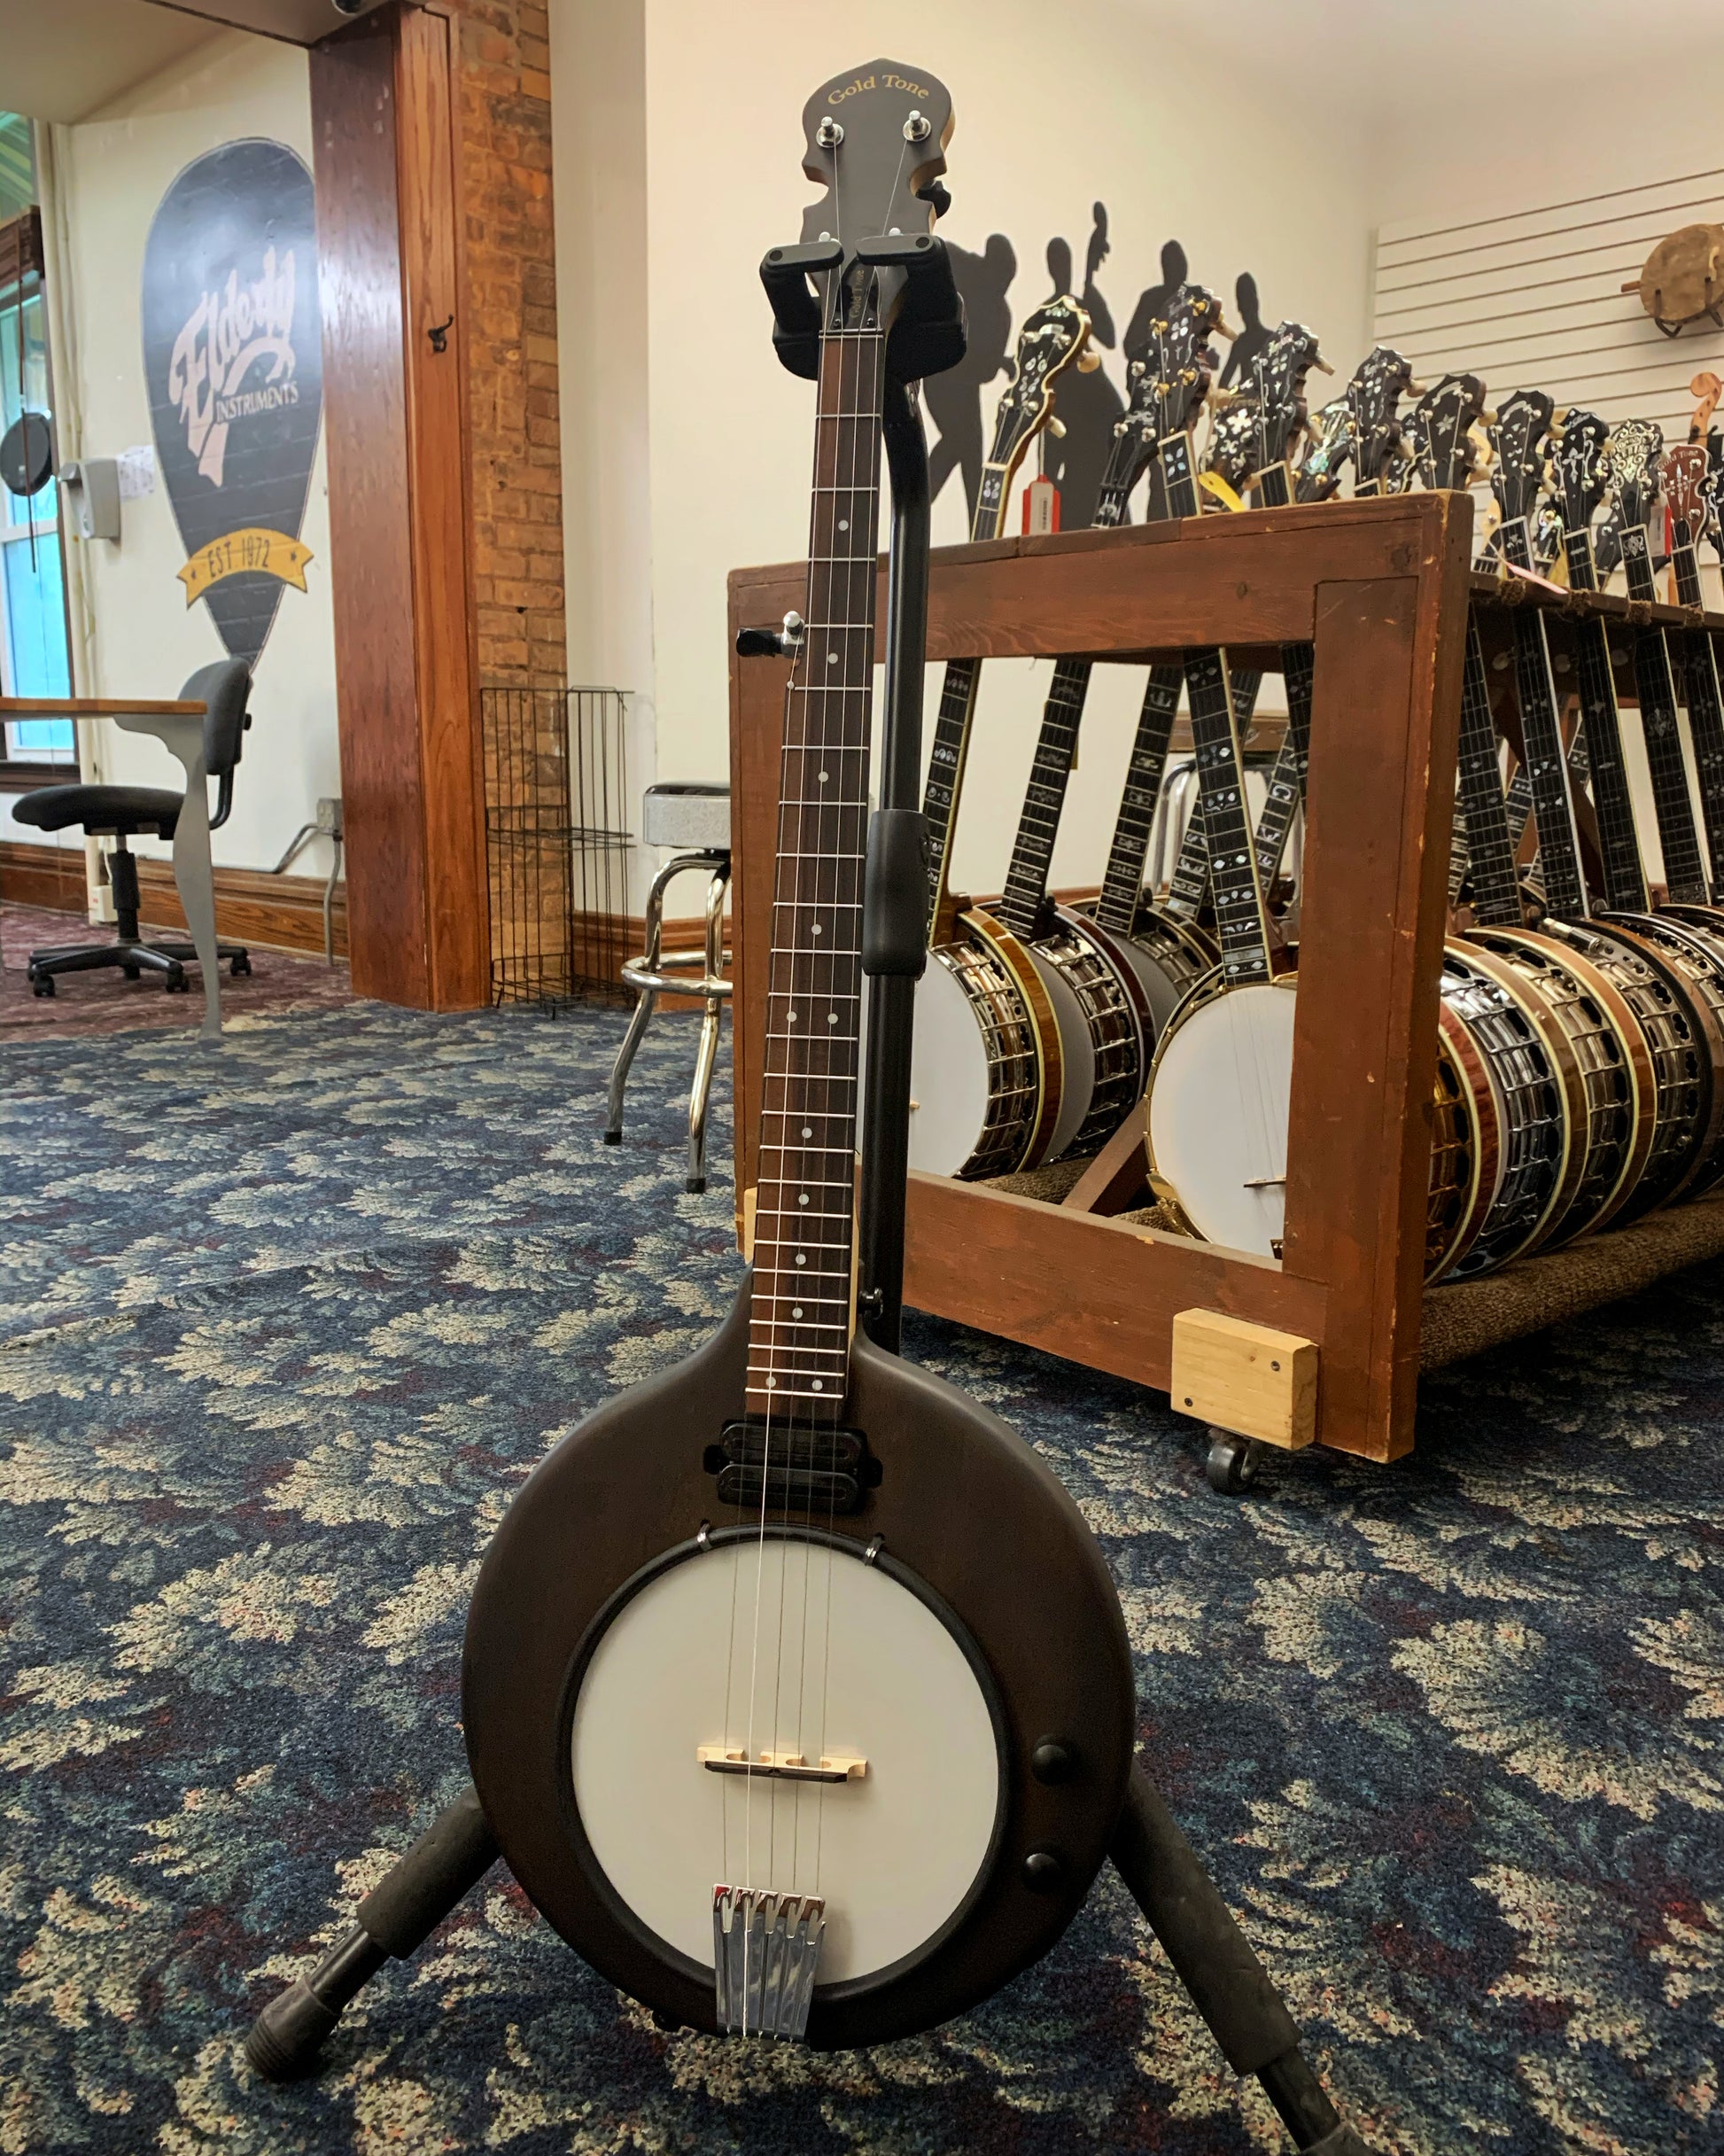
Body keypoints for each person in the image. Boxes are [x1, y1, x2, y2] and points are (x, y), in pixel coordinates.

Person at [925, 233, 1016, 531]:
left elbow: (986, 371)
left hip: (964, 387)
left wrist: (995, 362)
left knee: (971, 458)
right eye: (1001, 278)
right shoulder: (957, 263)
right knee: (960, 443)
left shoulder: (999, 312)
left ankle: (977, 533)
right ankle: (914, 505)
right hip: (941, 379)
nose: (1002, 287)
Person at [1041, 205, 1124, 529]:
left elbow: (1111, 337)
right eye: (1056, 262)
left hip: (1092, 396)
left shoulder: (1081, 302)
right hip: (1063, 399)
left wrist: (1092, 294)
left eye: (1065, 261)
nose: (1062, 268)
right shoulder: (1044, 311)